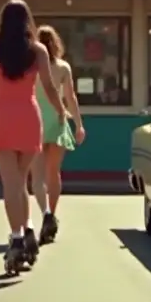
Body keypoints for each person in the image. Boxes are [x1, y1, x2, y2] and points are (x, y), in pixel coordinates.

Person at [0, 0, 64, 274]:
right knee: (22, 180)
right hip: (29, 118)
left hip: (2, 117)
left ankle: (17, 237)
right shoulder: (38, 52)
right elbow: (50, 87)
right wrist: (61, 111)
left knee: (11, 182)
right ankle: (26, 228)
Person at [28, 25, 86, 245]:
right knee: (54, 172)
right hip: (59, 120)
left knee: (37, 176)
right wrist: (79, 125)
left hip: (36, 120)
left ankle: (45, 214)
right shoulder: (63, 68)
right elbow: (71, 98)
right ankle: (52, 211)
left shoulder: (30, 68)